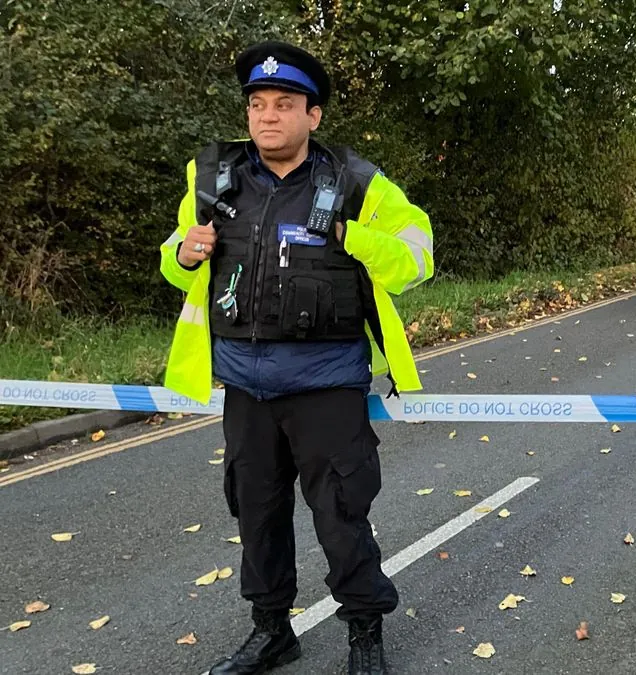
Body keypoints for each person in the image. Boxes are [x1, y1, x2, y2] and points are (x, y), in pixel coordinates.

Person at [158, 40, 434, 675]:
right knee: (256, 516)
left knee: (341, 518)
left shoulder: (359, 184)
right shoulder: (213, 180)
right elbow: (177, 257)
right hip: (244, 388)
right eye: (257, 104)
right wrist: (184, 255)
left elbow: (419, 257)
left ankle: (365, 634)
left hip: (325, 384)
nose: (268, 116)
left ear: (313, 116)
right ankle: (272, 632)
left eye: (285, 104)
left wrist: (352, 235)